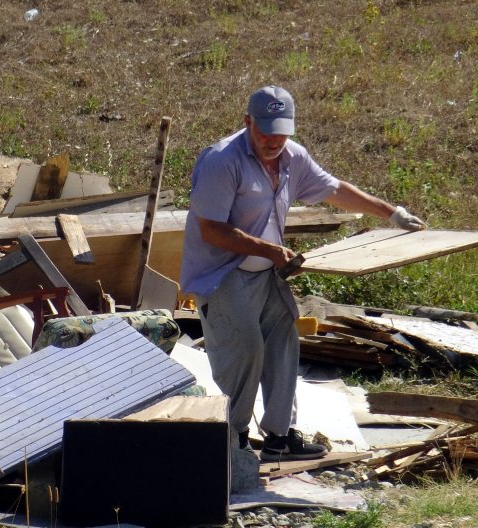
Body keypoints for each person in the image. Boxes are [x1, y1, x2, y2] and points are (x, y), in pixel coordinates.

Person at [180, 85, 426, 461]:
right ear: (247, 122)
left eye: (281, 132)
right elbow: (211, 229)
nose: (273, 140)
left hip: (268, 276)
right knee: (244, 350)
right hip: (223, 274)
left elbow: (334, 189)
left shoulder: (293, 157)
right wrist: (272, 251)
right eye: (265, 131)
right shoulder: (221, 161)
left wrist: (390, 213)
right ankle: (234, 440)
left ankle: (279, 438)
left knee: (282, 346)